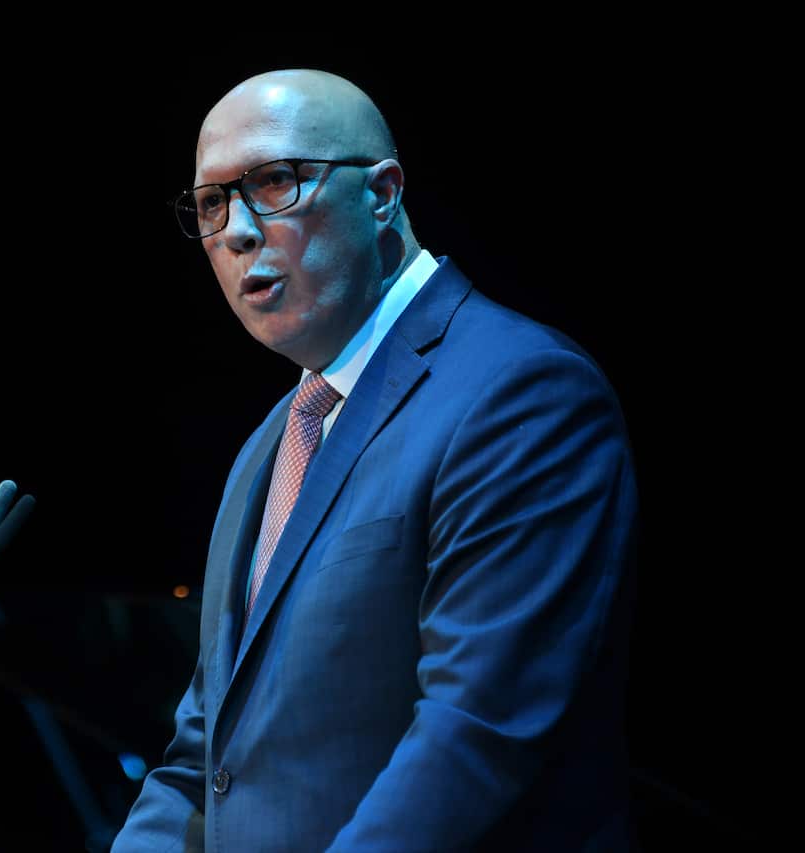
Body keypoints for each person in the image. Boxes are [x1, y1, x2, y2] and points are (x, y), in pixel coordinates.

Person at [111, 69, 639, 852]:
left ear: (383, 192)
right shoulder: (268, 449)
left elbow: (475, 732)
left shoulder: (522, 393)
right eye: (213, 203)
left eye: (276, 181)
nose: (238, 231)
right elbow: (202, 757)